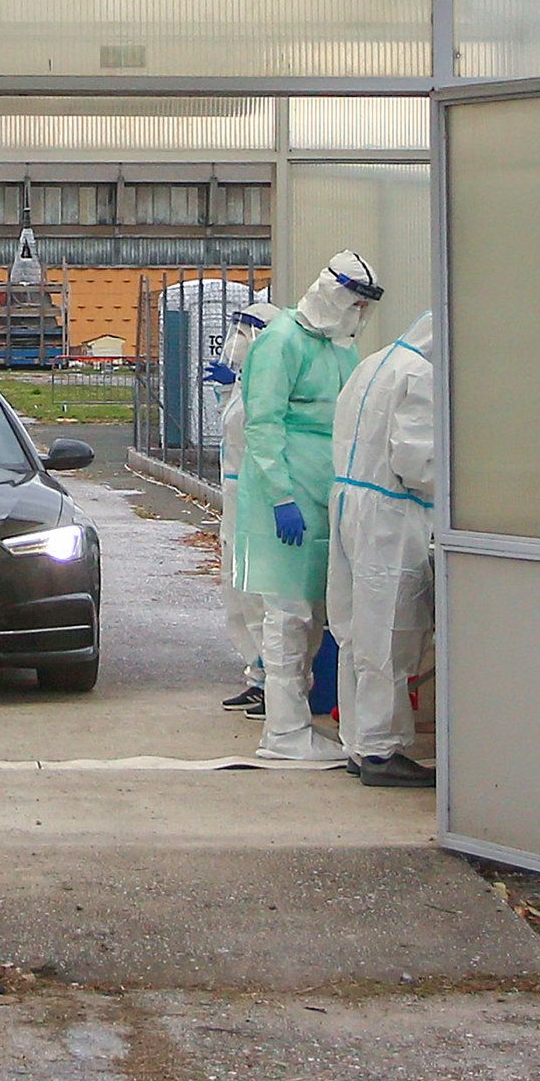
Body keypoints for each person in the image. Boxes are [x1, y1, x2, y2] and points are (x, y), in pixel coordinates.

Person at [235, 250, 380, 765]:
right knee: (287, 613)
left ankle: (299, 721)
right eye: (355, 303)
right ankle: (283, 729)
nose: (359, 316)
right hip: (288, 495)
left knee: (316, 616)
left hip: (326, 494)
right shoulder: (281, 342)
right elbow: (263, 423)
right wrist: (281, 494)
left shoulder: (341, 350)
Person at [330, 309, 439, 786]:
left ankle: (358, 742)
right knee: (391, 634)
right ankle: (380, 750)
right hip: (390, 517)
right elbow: (418, 462)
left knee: (357, 632)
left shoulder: (374, 362)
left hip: (350, 505)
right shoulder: (422, 375)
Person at [206, 299, 272, 713]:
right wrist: (229, 387)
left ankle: (276, 683)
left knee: (261, 594)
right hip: (234, 500)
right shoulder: (244, 385)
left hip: (257, 501)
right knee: (237, 590)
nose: (236, 342)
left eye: (244, 334)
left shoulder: (267, 385)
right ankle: (257, 673)